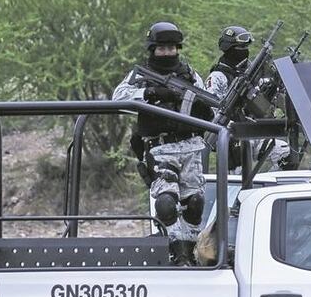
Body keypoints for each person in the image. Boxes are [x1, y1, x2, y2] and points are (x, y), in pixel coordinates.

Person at [112, 21, 213, 265]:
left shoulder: (189, 73)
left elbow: (206, 101)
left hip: (191, 146)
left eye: (171, 48)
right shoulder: (140, 75)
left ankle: (189, 253)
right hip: (159, 148)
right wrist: (151, 93)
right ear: (153, 49)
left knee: (195, 203)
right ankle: (175, 252)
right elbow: (118, 98)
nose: (167, 53)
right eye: (162, 48)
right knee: (166, 203)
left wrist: (201, 108)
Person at [204, 25, 294, 170]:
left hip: (254, 130)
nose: (244, 52)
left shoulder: (251, 71)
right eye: (239, 49)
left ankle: (268, 189)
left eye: (246, 48)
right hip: (231, 137)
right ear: (229, 49)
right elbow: (214, 112)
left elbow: (261, 100)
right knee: (241, 170)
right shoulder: (218, 77)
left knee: (286, 154)